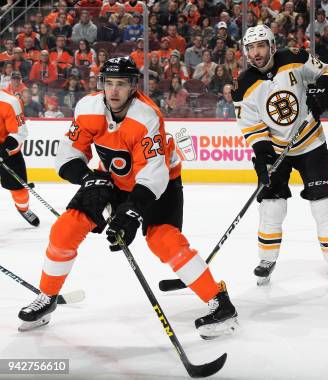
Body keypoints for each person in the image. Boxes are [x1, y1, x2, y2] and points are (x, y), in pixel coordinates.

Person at [17, 57, 238, 339]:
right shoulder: (88, 108)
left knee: (163, 241)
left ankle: (220, 303)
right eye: (109, 83)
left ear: (133, 87)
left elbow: (153, 174)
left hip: (161, 182)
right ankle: (47, 298)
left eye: (121, 84)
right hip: (111, 178)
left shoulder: (147, 116)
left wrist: (132, 211)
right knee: (65, 228)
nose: (114, 91)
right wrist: (87, 179)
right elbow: (68, 154)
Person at [232, 25, 328, 285]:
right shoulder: (242, 86)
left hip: (310, 144)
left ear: (272, 46)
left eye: (260, 46)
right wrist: (263, 157)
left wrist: (321, 92)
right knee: (272, 206)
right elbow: (253, 127)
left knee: (324, 203)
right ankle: (267, 258)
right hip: (276, 150)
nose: (255, 53)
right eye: (250, 48)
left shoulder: (294, 58)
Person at [0, 88, 39, 226]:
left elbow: (20, 132)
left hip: (6, 151)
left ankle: (23, 209)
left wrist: (4, 149)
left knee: (19, 190)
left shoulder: (10, 101)